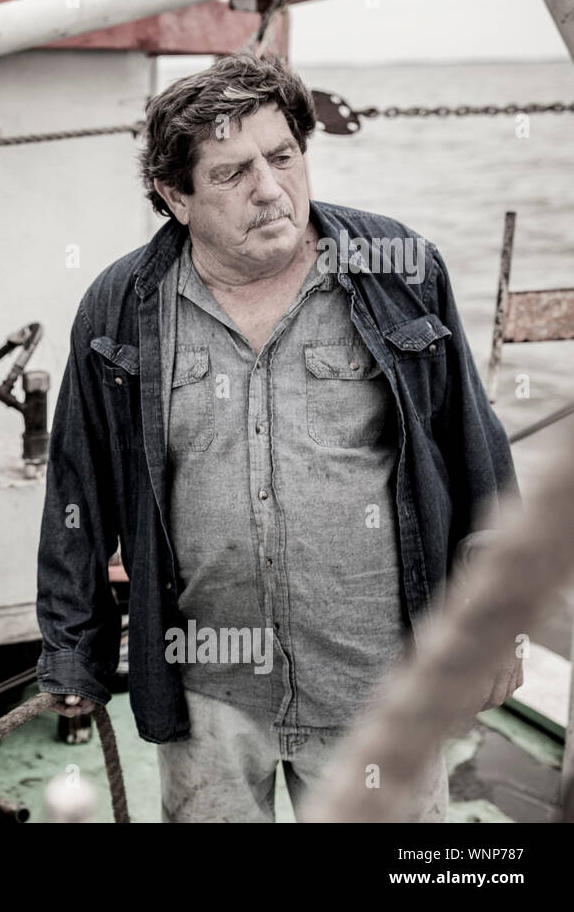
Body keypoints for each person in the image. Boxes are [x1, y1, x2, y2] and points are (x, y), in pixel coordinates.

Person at [34, 51, 521, 822]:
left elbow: (475, 455)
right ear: (176, 195)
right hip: (208, 693)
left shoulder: (399, 271)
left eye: (283, 156)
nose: (270, 188)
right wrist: (72, 649)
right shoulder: (121, 307)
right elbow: (78, 489)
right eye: (231, 173)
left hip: (377, 688)